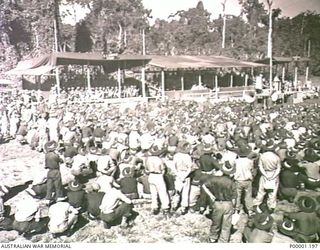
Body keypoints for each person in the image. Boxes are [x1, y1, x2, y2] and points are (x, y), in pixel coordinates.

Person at [198, 163, 237, 243]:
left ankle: (213, 238)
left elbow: (204, 186)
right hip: (228, 204)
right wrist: (234, 207)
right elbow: (234, 198)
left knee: (216, 223)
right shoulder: (232, 183)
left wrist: (211, 195)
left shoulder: (214, 179)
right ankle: (223, 241)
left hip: (217, 203)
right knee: (226, 226)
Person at [253, 142, 281, 212]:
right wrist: (273, 176)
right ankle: (271, 206)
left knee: (261, 191)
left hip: (265, 174)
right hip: (274, 174)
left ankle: (257, 204)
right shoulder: (276, 157)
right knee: (273, 193)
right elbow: (278, 168)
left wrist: (265, 175)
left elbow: (260, 166)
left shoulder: (262, 156)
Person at [144, 145, 170, 216]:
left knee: (153, 193)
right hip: (158, 175)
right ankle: (165, 208)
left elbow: (146, 169)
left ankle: (154, 207)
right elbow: (163, 169)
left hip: (151, 175)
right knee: (162, 192)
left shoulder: (147, 159)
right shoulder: (159, 160)